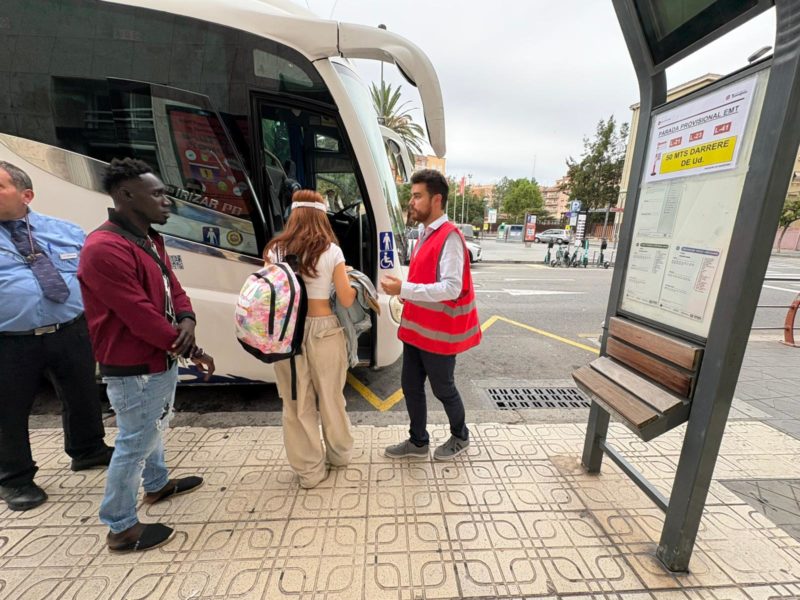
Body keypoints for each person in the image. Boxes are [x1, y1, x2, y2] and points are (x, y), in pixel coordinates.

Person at [78, 158, 215, 553]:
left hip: (162, 356)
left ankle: (156, 485)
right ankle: (120, 527)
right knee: (135, 441)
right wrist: (194, 347)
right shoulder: (103, 249)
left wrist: (188, 319)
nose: (166, 201)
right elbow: (141, 317)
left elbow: (174, 288)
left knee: (155, 426)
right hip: (135, 365)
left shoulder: (148, 238)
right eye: (157, 194)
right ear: (125, 195)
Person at [0, 161, 113, 512]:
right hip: (10, 338)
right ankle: (15, 478)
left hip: (69, 329)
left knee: (81, 392)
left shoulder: (64, 231)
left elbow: (92, 276)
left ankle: (88, 449)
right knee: (8, 409)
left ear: (26, 194)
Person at [380, 169, 481, 461]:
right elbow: (426, 279)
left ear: (436, 199)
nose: (412, 202)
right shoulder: (426, 233)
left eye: (417, 196)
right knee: (410, 386)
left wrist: (405, 288)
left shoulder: (450, 237)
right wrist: (403, 291)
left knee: (443, 388)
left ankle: (460, 436)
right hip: (417, 329)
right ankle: (418, 441)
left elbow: (451, 288)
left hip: (438, 333)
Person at [265, 189, 356, 489]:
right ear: (321, 215)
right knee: (331, 396)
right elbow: (344, 299)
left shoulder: (275, 251)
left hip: (286, 334)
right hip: (324, 329)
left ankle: (310, 472)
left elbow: (270, 294)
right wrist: (350, 282)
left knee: (295, 403)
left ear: (293, 214)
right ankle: (339, 455)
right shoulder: (331, 250)